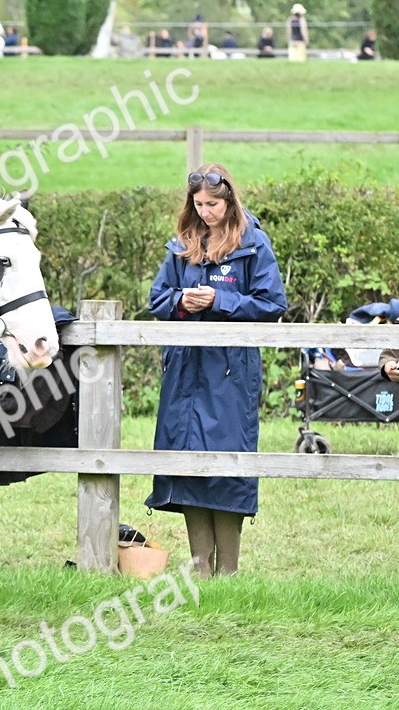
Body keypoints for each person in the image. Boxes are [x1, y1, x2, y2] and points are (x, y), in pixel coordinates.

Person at [145, 165, 287, 578]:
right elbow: (156, 299)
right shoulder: (181, 246)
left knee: (228, 464)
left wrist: (220, 300)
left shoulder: (253, 244)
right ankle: (199, 569)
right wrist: (180, 301)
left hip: (230, 372)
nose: (205, 212)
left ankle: (228, 572)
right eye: (199, 204)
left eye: (213, 204)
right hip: (184, 369)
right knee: (186, 461)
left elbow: (272, 304)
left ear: (229, 201)